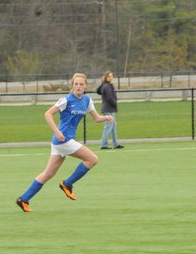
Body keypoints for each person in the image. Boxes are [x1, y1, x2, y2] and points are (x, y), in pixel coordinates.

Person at [15, 73, 113, 212]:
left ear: (86, 86)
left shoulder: (87, 100)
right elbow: (48, 114)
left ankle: (23, 199)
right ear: (72, 85)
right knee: (92, 159)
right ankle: (67, 184)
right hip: (63, 140)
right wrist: (57, 131)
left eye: (81, 84)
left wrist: (106, 118)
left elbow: (96, 118)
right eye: (76, 84)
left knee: (48, 174)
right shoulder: (66, 100)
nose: (78, 86)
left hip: (63, 142)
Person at [97, 71, 123, 149]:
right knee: (108, 126)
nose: (111, 77)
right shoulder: (107, 86)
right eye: (109, 76)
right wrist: (115, 103)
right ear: (106, 77)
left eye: (112, 76)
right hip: (108, 109)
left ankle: (116, 143)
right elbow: (109, 97)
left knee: (113, 126)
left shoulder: (107, 85)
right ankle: (103, 144)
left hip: (109, 108)